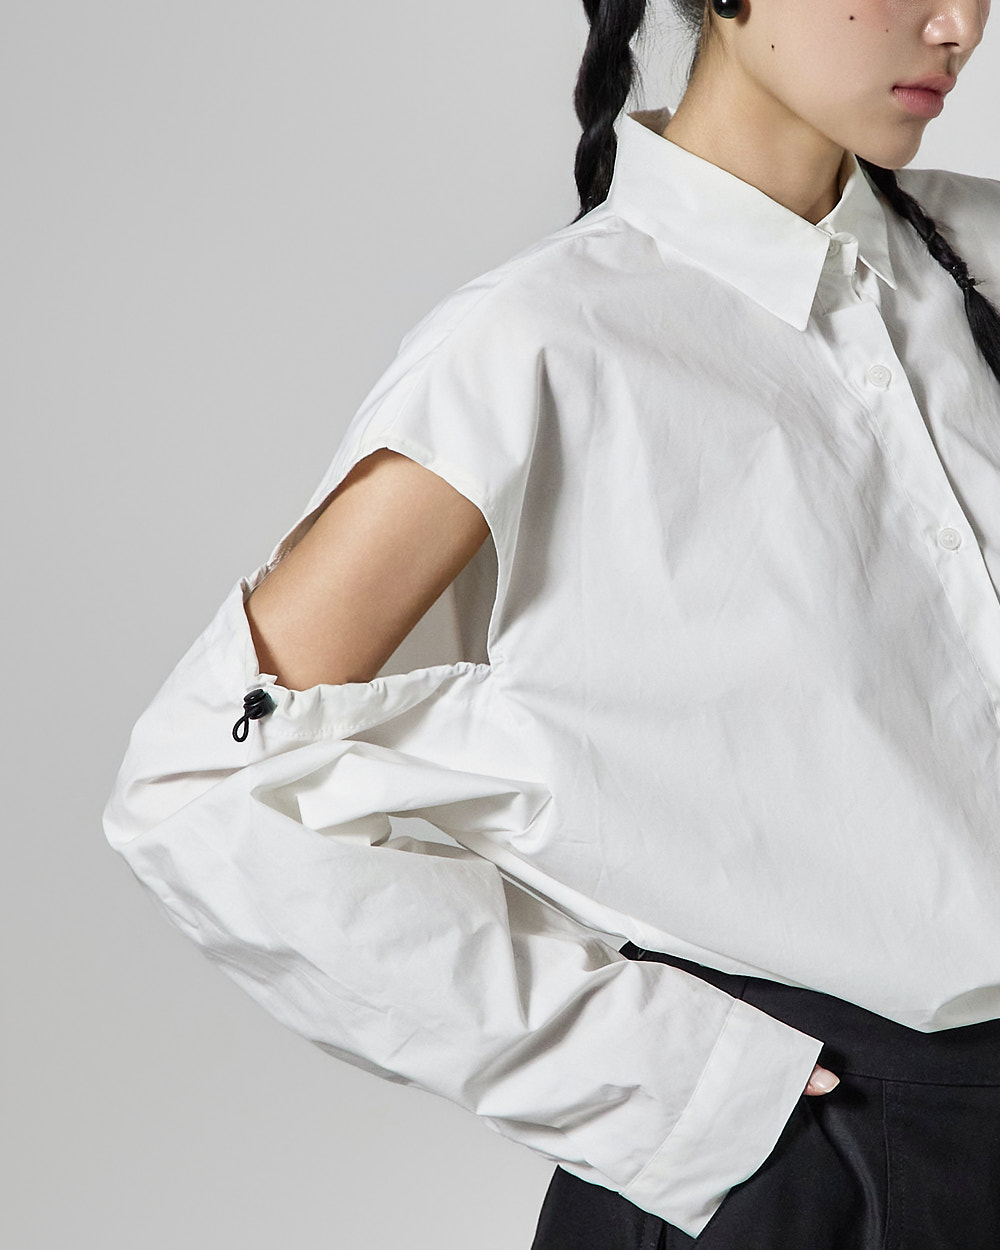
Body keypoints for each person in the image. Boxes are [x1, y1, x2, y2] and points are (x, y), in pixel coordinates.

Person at [102, 0, 1000, 1244]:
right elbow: (198, 786)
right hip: (817, 1160)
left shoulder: (976, 252)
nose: (960, 23)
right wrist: (669, 1082)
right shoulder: (536, 345)